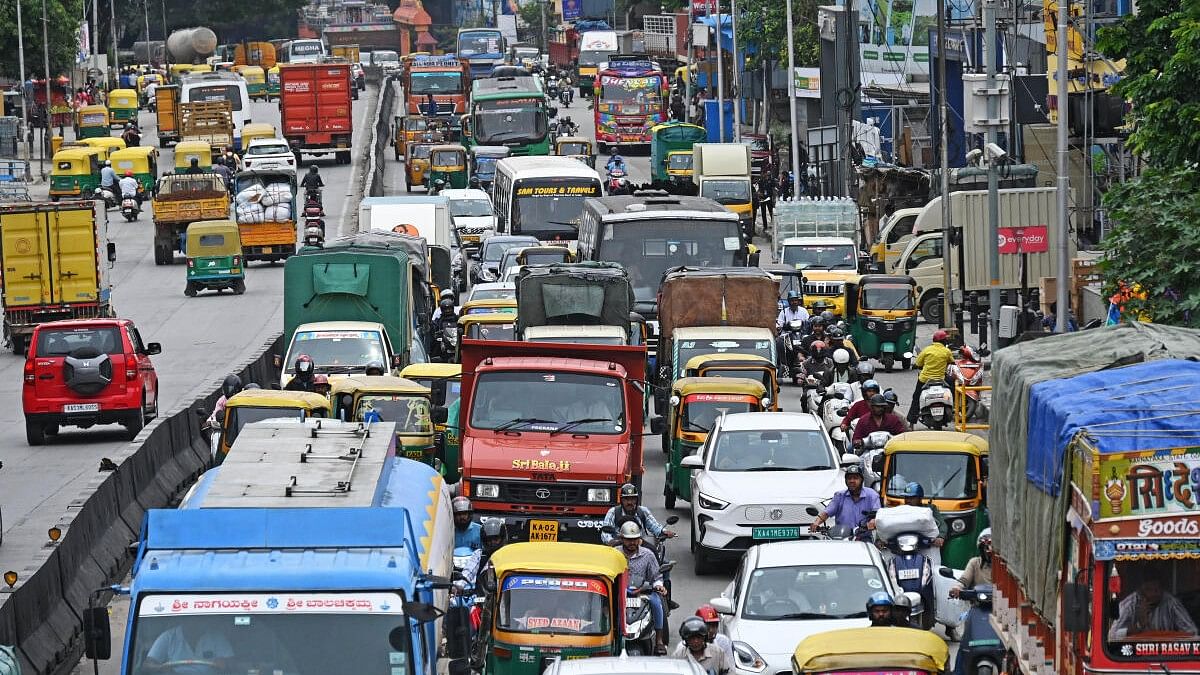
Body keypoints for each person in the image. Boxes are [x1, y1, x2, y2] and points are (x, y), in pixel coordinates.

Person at [618, 522, 669, 654]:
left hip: (643, 593)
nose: (632, 543)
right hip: (619, 593)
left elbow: (657, 576)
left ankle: (659, 640)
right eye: (628, 539)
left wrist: (659, 586)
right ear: (622, 538)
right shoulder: (615, 554)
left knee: (657, 603)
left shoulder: (648, 554)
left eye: (635, 539)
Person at [1108, 577, 1199, 640]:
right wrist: (1139, 626)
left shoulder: (1171, 602)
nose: (1154, 593)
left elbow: (1192, 632)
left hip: (1168, 654)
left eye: (1156, 589)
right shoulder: (1129, 604)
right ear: (1140, 591)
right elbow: (1112, 636)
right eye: (1148, 589)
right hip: (1134, 656)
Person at [810, 462, 880, 533]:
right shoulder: (839, 496)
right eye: (849, 478)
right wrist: (816, 523)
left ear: (861, 480)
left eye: (855, 478)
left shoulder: (872, 495)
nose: (852, 481)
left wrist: (873, 521)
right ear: (846, 481)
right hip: (843, 538)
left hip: (865, 536)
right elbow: (826, 513)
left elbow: (878, 515)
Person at [143, 622, 234, 673]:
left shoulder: (216, 637)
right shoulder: (168, 637)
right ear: (182, 620)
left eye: (197, 619)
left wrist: (225, 663)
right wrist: (160, 668)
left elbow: (232, 663)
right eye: (190, 620)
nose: (193, 623)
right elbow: (148, 664)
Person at [908, 329, 955, 425]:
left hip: (925, 380)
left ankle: (911, 422)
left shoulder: (926, 350)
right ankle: (955, 408)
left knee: (916, 398)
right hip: (941, 379)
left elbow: (918, 363)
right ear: (944, 341)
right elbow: (952, 361)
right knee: (953, 387)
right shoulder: (947, 351)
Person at [899, 482, 947, 547]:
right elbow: (888, 525)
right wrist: (880, 538)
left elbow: (942, 525)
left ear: (920, 498)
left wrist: (940, 537)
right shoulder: (900, 510)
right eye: (906, 497)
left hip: (927, 545)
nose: (908, 500)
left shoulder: (930, 508)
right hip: (904, 545)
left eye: (912, 498)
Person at [950, 528, 993, 598]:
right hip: (978, 604)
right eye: (985, 548)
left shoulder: (1005, 567)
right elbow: (964, 580)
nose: (988, 551)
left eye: (993, 548)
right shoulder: (975, 562)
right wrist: (957, 588)